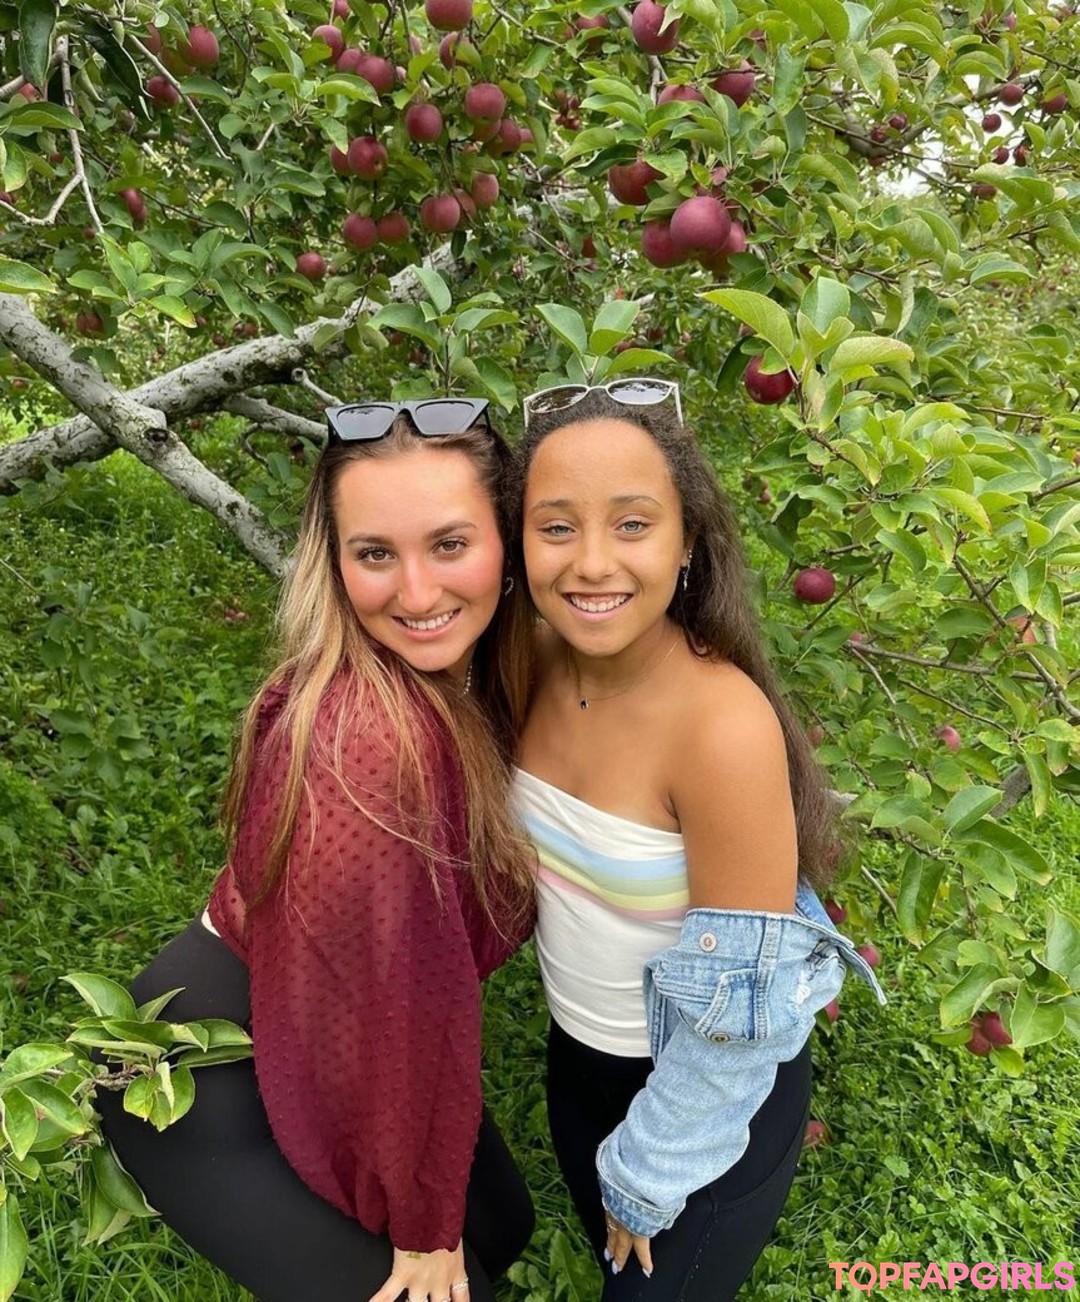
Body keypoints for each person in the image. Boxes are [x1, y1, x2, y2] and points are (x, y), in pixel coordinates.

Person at [96, 399, 538, 1302]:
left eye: (450, 544)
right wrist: (420, 1224)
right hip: (202, 1080)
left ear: (510, 541)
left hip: (302, 1007)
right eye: (375, 554)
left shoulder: (477, 675)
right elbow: (377, 1016)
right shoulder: (368, 745)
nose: (417, 594)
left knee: (503, 1229)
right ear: (334, 564)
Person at [506, 379, 885, 1302]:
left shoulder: (721, 729)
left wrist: (649, 1172)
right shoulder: (529, 662)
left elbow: (736, 1022)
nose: (592, 563)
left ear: (687, 545)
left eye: (633, 524)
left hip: (703, 1103)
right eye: (556, 527)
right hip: (577, 1061)